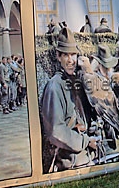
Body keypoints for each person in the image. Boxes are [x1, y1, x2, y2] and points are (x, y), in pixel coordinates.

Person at [39, 27, 98, 172]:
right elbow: (56, 131)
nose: (71, 60)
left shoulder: (75, 81)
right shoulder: (54, 86)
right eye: (66, 55)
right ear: (58, 57)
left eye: (73, 55)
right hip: (68, 163)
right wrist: (86, 141)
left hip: (85, 157)